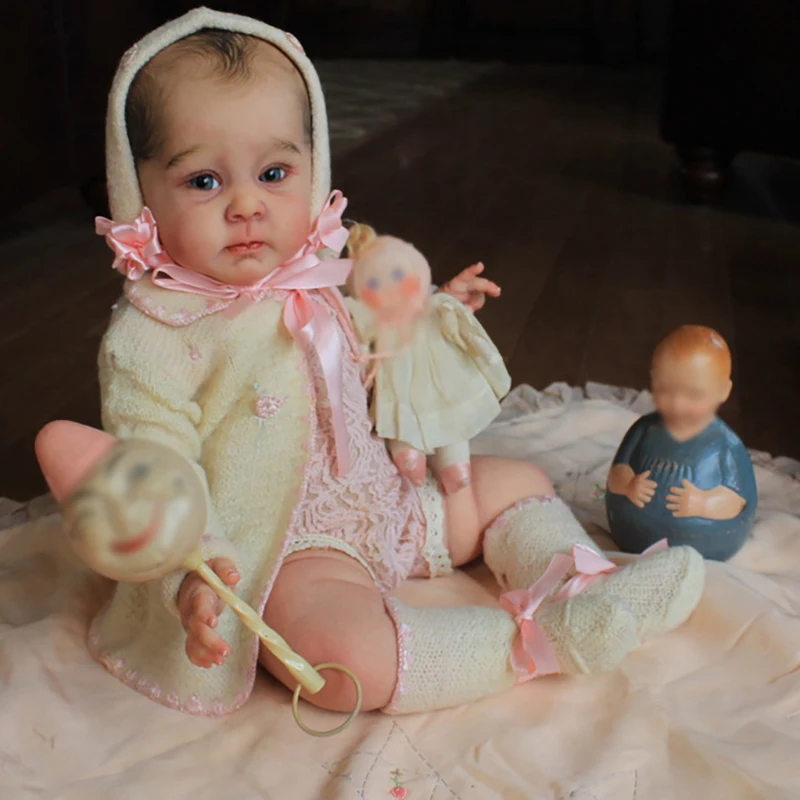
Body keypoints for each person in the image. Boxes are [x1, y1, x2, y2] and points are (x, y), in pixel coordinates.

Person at [35, 7, 706, 720]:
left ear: (313, 166)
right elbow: (156, 466)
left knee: (516, 482)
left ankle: (588, 592)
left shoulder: (320, 268)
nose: (246, 205)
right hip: (291, 549)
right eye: (203, 181)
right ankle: (533, 645)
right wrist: (197, 571)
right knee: (341, 662)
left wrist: (429, 315)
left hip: (387, 498)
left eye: (273, 172)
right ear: (137, 194)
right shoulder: (156, 334)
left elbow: (372, 344)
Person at [606, 325, 757, 561]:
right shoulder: (644, 429)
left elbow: (738, 501)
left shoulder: (725, 444)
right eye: (666, 390)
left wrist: (704, 504)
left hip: (705, 550)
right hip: (632, 538)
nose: (677, 404)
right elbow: (617, 472)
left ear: (723, 391)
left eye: (694, 394)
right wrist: (628, 485)